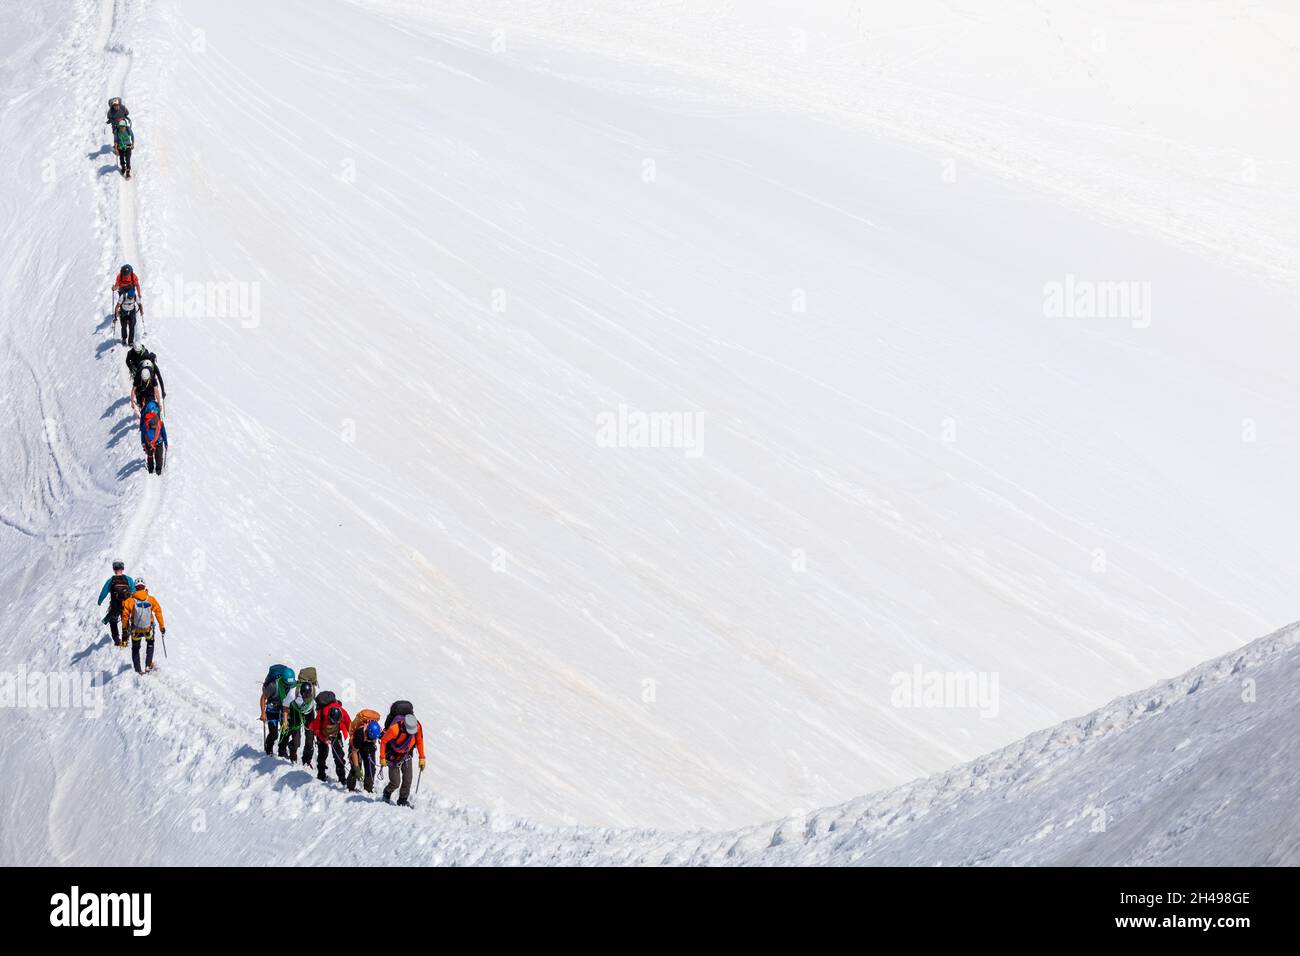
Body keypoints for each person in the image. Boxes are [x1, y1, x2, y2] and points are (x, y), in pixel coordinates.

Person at [120, 577, 164, 675]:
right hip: (148, 629)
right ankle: (148, 666)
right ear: (144, 587)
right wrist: (162, 627)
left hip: (136, 631)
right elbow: (158, 612)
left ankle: (138, 670)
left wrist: (125, 629)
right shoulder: (151, 599)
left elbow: (125, 616)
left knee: (136, 648)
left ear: (135, 588)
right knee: (150, 644)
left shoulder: (130, 601)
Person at [379, 713, 425, 806]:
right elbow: (383, 741)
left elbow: (419, 741)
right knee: (395, 782)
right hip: (393, 756)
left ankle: (403, 800)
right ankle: (387, 793)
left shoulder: (417, 726)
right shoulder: (394, 729)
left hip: (407, 754)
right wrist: (382, 757)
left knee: (408, 779)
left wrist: (422, 757)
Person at [308, 692, 351, 785]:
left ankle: (342, 779)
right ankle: (321, 774)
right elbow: (316, 729)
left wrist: (352, 737)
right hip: (322, 734)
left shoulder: (342, 711)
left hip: (335, 734)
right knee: (322, 755)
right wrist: (323, 739)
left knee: (339, 756)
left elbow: (349, 724)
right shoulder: (322, 713)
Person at [96, 559, 135, 647]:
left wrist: (99, 601)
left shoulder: (111, 580)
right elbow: (133, 592)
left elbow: (104, 592)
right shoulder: (129, 579)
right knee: (125, 622)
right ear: (123, 568)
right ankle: (125, 640)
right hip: (126, 606)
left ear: (114, 569)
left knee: (113, 621)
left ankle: (117, 640)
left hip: (115, 606)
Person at [259, 664, 296, 756]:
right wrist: (263, 713)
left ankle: (282, 751)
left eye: (290, 684)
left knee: (286, 730)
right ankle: (269, 747)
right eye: (287, 684)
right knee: (274, 734)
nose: (289, 686)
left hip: (284, 711)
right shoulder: (273, 685)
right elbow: (263, 698)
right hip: (272, 710)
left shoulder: (293, 684)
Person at [284, 668, 318, 765]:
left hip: (309, 713)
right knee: (296, 739)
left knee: (310, 739)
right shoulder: (293, 692)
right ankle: (293, 751)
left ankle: (307, 760)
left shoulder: (313, 691)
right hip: (296, 712)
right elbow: (285, 707)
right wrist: (285, 721)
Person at [347, 708, 382, 792]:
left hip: (369, 747)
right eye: (369, 738)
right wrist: (356, 768)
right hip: (357, 745)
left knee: (371, 769)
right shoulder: (359, 734)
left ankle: (368, 789)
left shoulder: (377, 731)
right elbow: (354, 752)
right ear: (366, 733)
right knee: (355, 768)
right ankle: (350, 788)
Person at [139, 399, 167, 475]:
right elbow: (163, 432)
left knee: (150, 456)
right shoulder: (159, 422)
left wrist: (143, 443)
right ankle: (159, 471)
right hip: (159, 440)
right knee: (159, 456)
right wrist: (166, 442)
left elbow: (143, 433)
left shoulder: (146, 422)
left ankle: (150, 470)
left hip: (148, 442)